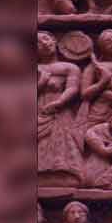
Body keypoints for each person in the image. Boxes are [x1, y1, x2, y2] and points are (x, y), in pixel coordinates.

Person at [37, 31, 83, 184]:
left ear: (54, 40)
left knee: (61, 142)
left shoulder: (69, 67)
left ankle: (65, 175)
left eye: (45, 39)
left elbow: (73, 88)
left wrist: (60, 102)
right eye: (37, 42)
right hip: (38, 110)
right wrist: (42, 81)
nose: (43, 44)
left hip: (59, 110)